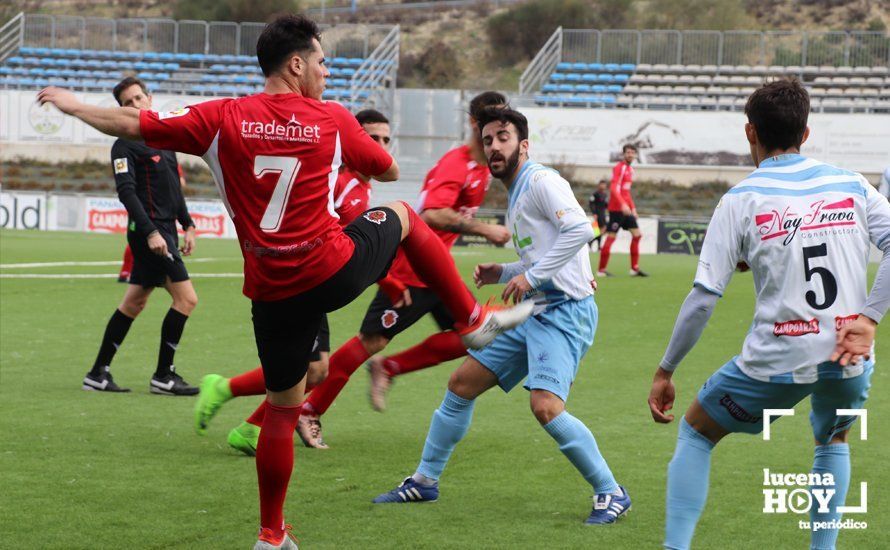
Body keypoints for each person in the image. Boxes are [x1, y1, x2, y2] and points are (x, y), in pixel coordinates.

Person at [38, 15, 532, 550]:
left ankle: (271, 535)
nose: (326, 71)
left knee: (280, 410)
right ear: (296, 64)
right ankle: (473, 319)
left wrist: (74, 105)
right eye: (322, 62)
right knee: (406, 215)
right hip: (330, 268)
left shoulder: (222, 116)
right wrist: (344, 145)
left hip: (272, 290)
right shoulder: (332, 117)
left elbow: (134, 125)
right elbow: (387, 169)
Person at [647, 78, 889, 550]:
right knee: (832, 442)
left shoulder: (740, 199)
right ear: (806, 131)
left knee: (696, 432)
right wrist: (870, 318)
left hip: (775, 364)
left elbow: (702, 298)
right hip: (849, 356)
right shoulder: (851, 183)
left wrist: (666, 369)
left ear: (750, 133)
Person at [372, 106, 631, 525]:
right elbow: (544, 256)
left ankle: (611, 492)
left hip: (565, 312)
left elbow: (581, 231)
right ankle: (424, 480)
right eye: (488, 139)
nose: (494, 146)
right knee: (461, 384)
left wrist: (530, 279)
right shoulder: (517, 190)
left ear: (523, 144)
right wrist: (506, 272)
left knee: (545, 406)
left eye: (503, 137)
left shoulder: (542, 180)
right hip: (537, 308)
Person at [297, 91, 511, 448]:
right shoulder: (456, 164)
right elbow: (432, 214)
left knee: (476, 334)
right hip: (412, 268)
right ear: (475, 124)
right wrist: (485, 229)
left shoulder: (481, 168)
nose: (501, 128)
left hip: (436, 272)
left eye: (506, 122)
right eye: (493, 121)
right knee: (372, 341)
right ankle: (309, 409)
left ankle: (390, 368)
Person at [192, 108, 396, 456]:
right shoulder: (341, 181)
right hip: (303, 279)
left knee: (315, 370)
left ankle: (247, 421)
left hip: (320, 279)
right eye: (371, 138)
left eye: (385, 140)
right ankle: (229, 396)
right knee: (311, 370)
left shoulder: (360, 185)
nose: (380, 146)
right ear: (354, 141)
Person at [81, 76, 199, 395]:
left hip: (166, 232)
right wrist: (150, 233)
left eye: (137, 98)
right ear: (121, 110)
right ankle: (164, 375)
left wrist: (187, 224)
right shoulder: (124, 144)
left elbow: (173, 190)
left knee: (133, 303)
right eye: (127, 103)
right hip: (150, 235)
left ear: (150, 98)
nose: (134, 105)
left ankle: (97, 373)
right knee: (187, 299)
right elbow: (127, 192)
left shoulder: (165, 137)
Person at [118, 164, 187, 282]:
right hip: (145, 209)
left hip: (162, 208)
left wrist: (188, 224)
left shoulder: (167, 156)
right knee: (139, 238)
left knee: (151, 239)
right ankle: (127, 272)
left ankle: (139, 273)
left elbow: (180, 182)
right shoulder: (136, 155)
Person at [597, 144, 647, 277]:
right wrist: (623, 205)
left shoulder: (630, 170)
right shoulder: (620, 167)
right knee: (611, 237)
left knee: (637, 235)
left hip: (626, 209)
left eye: (632, 153)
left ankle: (634, 269)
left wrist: (633, 208)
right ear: (623, 154)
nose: (630, 155)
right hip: (616, 210)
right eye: (628, 152)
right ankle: (601, 270)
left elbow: (626, 192)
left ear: (635, 155)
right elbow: (614, 188)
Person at [587, 179, 608, 251]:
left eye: (604, 184)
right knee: (601, 229)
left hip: (603, 214)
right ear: (599, 185)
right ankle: (592, 242)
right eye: (602, 184)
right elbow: (591, 204)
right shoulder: (595, 194)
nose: (603, 186)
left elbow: (605, 205)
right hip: (598, 214)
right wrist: (594, 213)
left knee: (599, 231)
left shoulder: (605, 194)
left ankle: (597, 246)